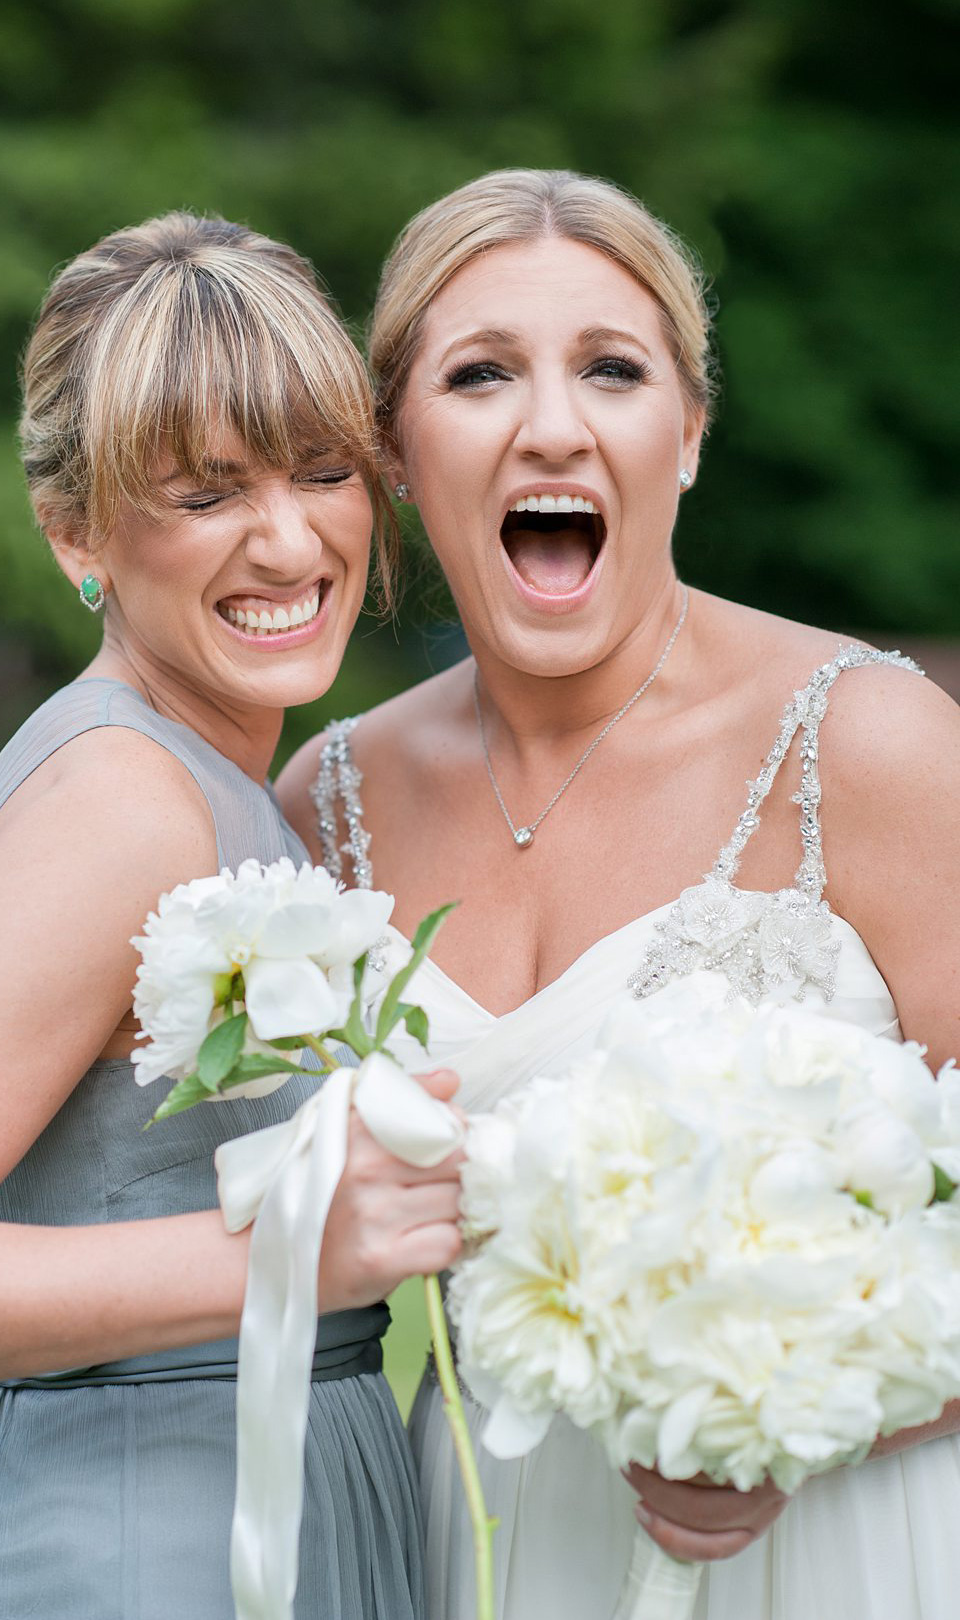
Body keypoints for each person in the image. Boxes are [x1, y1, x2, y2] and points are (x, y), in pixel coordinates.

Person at [278, 169, 960, 1620]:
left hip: (838, 1543)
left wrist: (813, 1416)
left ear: (690, 433)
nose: (551, 424)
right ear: (397, 448)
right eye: (479, 374)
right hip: (482, 1547)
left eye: (611, 368)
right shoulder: (323, 806)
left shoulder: (868, 744)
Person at [0, 210, 464, 1620]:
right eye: (207, 495)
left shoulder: (222, 779)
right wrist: (280, 1252)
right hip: (142, 1546)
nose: (289, 536)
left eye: (324, 470)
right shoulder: (123, 800)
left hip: (272, 1494)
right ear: (74, 528)